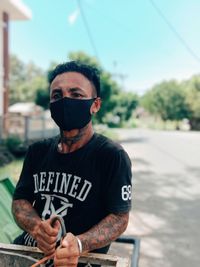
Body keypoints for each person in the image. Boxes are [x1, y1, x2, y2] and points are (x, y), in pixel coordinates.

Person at [12, 61, 132, 267]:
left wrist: (79, 243)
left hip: (79, 261)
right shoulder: (37, 151)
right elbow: (19, 201)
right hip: (28, 255)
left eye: (76, 94)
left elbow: (120, 217)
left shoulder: (112, 156)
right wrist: (36, 227)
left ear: (95, 104)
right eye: (57, 95)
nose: (65, 101)